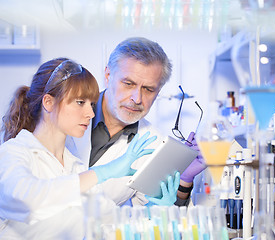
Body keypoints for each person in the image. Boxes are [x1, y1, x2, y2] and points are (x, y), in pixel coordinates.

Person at [0, 58, 157, 239]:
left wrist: (153, 212)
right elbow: (27, 202)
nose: (90, 113)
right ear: (48, 102)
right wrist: (100, 173)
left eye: (91, 104)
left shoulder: (75, 167)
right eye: (80, 102)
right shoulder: (13, 153)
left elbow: (110, 225)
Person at [67, 37, 206, 207]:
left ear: (158, 91)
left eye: (148, 89)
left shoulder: (154, 145)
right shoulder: (65, 112)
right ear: (108, 75)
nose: (137, 98)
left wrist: (183, 180)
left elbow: (152, 220)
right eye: (128, 83)